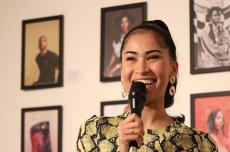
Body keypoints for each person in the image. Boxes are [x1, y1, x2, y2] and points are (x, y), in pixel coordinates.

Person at [77, 20, 217, 151]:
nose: (142, 69)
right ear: (121, 70)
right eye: (131, 58)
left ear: (173, 68)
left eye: (153, 57)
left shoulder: (201, 144)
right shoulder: (94, 132)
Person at [104, 12, 134, 77]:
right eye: (122, 22)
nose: (124, 24)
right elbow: (114, 55)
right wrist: (109, 67)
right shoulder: (116, 39)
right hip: (119, 65)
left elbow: (132, 57)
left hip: (129, 66)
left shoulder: (132, 37)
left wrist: (115, 68)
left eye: (126, 22)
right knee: (108, 74)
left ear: (129, 23)